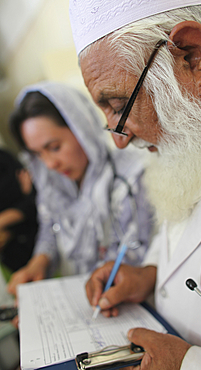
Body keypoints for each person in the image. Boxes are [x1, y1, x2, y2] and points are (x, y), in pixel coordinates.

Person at [68, 0, 201, 369]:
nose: (118, 140)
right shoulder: (194, 129)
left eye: (118, 104)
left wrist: (192, 364)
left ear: (193, 56)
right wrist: (150, 275)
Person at [7, 81, 154, 295]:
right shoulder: (53, 185)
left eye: (54, 148)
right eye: (38, 154)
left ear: (82, 128)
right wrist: (39, 262)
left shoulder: (130, 177)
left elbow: (139, 254)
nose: (49, 164)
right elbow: (51, 226)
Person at [0, 148, 38, 272]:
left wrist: (4, 222)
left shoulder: (3, 158)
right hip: (12, 256)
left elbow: (33, 200)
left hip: (34, 234)